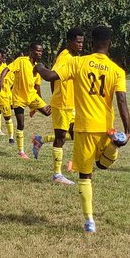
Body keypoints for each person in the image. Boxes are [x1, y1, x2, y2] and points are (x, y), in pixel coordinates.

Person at [36, 25, 130, 233]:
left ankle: (90, 221)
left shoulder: (77, 62)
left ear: (91, 43)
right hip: (106, 127)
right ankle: (114, 146)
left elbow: (51, 76)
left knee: (85, 176)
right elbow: (121, 100)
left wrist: (39, 67)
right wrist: (128, 130)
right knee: (103, 165)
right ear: (110, 44)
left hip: (85, 126)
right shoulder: (117, 70)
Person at [44, 27, 84, 184]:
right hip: (62, 104)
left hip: (72, 103)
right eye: (78, 42)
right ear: (70, 42)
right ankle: (57, 174)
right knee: (60, 137)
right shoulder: (64, 57)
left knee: (76, 134)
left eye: (82, 42)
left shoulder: (74, 56)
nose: (81, 45)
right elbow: (53, 76)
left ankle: (75, 165)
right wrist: (56, 96)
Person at [7, 44, 52, 158]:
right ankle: (21, 151)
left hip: (32, 97)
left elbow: (37, 87)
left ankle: (33, 110)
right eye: (37, 51)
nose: (40, 53)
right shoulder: (21, 61)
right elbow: (7, 69)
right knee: (21, 124)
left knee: (48, 112)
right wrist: (0, 81)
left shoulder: (37, 68)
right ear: (31, 51)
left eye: (41, 51)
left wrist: (39, 103)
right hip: (19, 98)